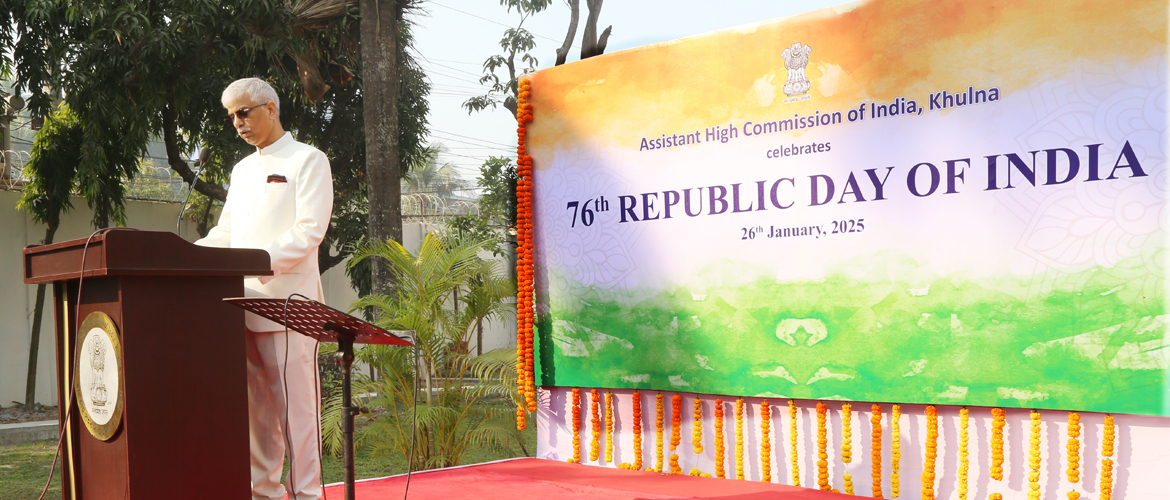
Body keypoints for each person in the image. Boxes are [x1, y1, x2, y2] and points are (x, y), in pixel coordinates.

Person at [195, 77, 333, 500]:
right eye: (231, 116)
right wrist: (187, 256)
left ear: (270, 108)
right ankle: (265, 494)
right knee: (259, 418)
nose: (237, 122)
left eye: (244, 112)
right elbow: (227, 231)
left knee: (298, 416)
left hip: (289, 307)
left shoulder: (308, 160)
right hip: (242, 305)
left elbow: (309, 232)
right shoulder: (240, 170)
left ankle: (308, 494)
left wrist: (255, 263)